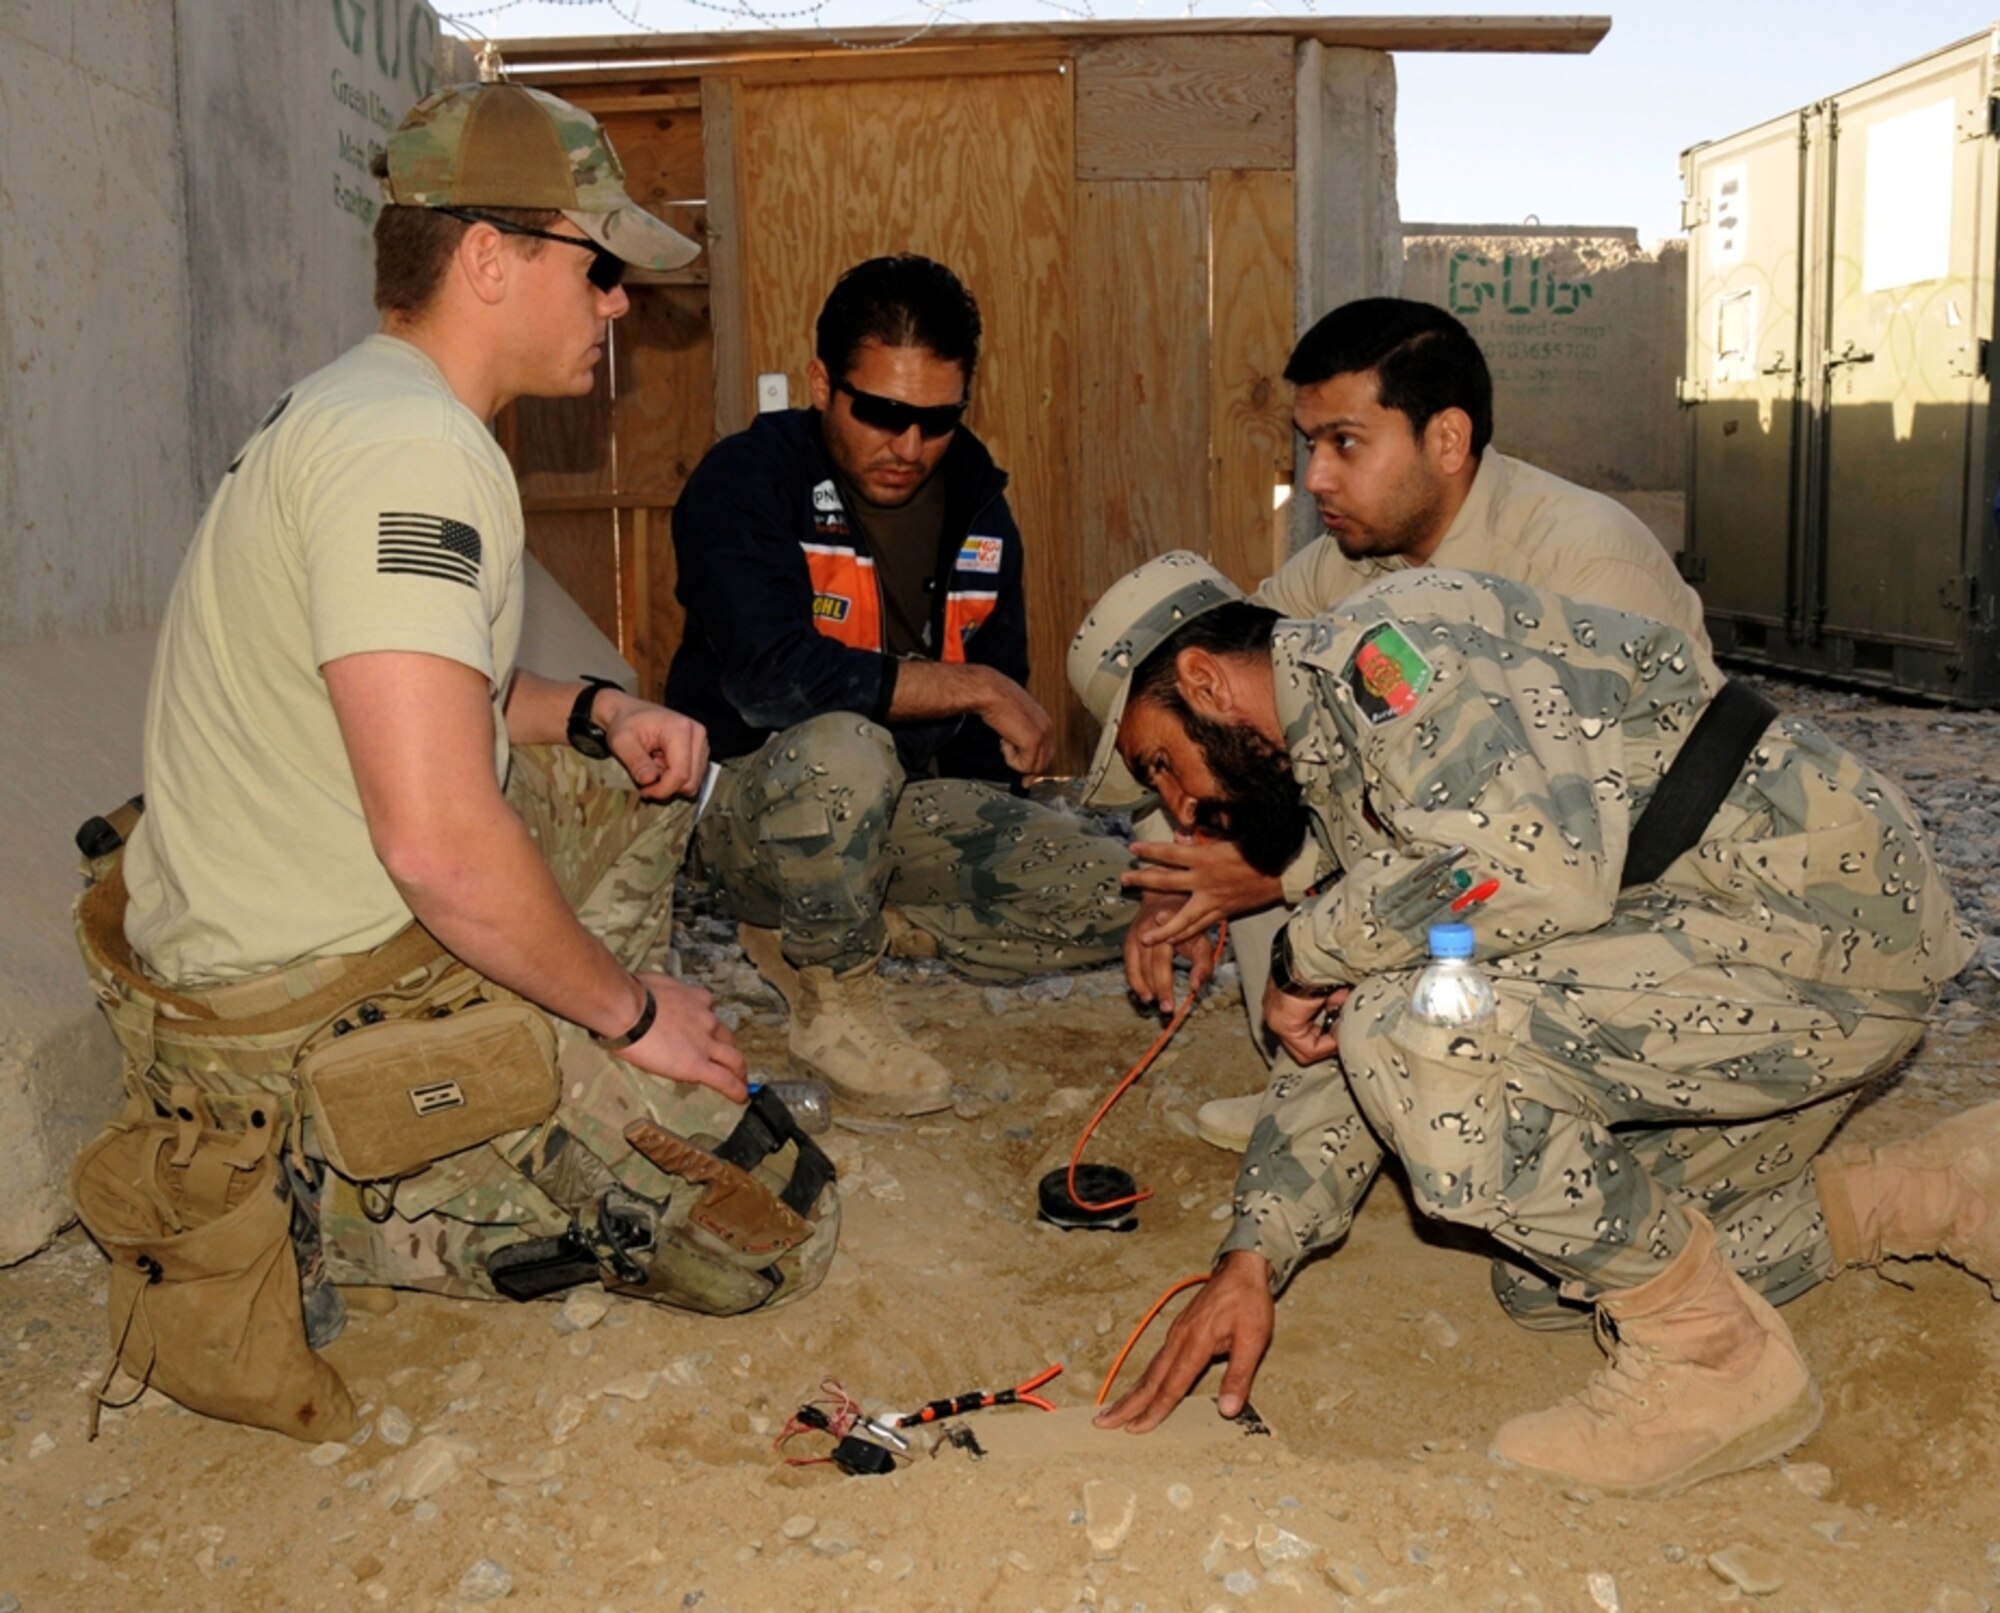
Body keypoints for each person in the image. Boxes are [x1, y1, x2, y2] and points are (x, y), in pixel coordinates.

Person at [96, 82, 835, 1330]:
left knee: (617, 764)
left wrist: (599, 708)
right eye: (598, 264)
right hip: (294, 1012)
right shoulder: (411, 454)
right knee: (770, 1231)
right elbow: (437, 839)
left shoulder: (364, 408)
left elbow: (440, 700)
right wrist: (634, 1009)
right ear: (489, 257)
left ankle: (553, 1032)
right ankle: (327, 1190)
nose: (616, 301)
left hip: (282, 934)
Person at [1069, 551, 1985, 1496]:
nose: (1182, 809)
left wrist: (1306, 950)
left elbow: (1532, 868)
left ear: (1204, 680)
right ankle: (1927, 1193)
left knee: (1418, 1028)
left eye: (1162, 765)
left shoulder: (1373, 653)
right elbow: (1334, 1037)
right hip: (1757, 960)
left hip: (1814, 924)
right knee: (1550, 1272)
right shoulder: (1339, 771)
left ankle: (1714, 1362)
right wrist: (1253, 1255)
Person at [1114, 298, 1713, 1153]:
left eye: (1345, 444)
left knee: (1309, 841)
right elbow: (1222, 690)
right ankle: (1319, 1084)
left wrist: (1277, 879)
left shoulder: (1583, 558)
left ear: (1447, 440)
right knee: (1246, 786)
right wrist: (1183, 872)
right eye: (1310, 444)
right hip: (1492, 859)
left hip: (1627, 889)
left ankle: (1448, 1093)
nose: (1316, 477)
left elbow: (1576, 851)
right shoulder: (1357, 556)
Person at [665, 255, 1132, 1116]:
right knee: (847, 742)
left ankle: (850, 922)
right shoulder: (743, 484)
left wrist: (991, 813)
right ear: (820, 383)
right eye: (881, 412)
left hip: (893, 815)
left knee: (1122, 894)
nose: (908, 446)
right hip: (750, 810)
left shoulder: (981, 509)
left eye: (936, 419)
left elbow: (986, 746)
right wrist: (975, 685)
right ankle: (833, 998)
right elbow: (772, 683)